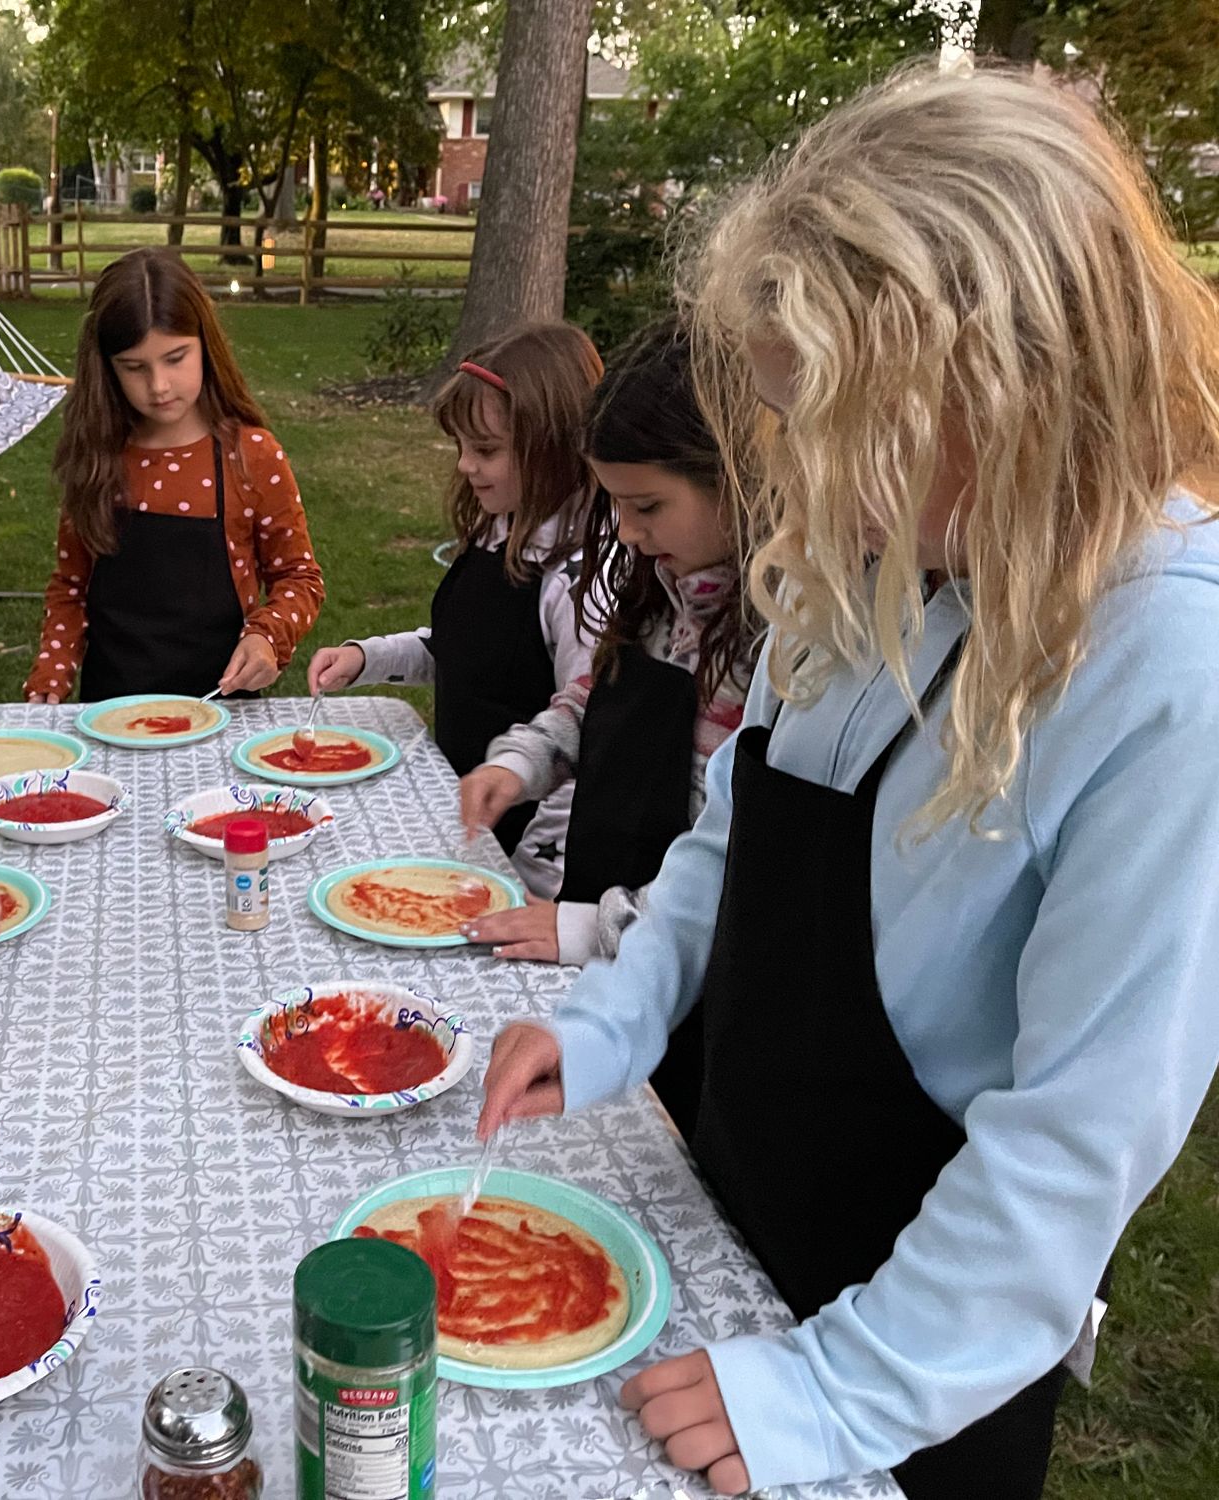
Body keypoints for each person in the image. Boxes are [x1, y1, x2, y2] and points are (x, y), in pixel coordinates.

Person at [479, 68, 1219, 1498]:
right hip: (743, 1220)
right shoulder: (875, 561)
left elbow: (1077, 1141)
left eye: (836, 426)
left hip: (925, 1349)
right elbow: (738, 832)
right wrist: (615, 1014)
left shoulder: (1170, 663)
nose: (804, 483)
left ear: (1010, 381)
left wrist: (832, 1390)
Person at [456, 319, 757, 976]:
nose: (627, 531)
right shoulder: (661, 589)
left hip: (678, 973)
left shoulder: (772, 652)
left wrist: (596, 926)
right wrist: (524, 762)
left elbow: (739, 864)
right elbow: (599, 695)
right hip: (598, 935)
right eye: (616, 505)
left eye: (646, 506)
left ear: (735, 479)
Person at [307, 323, 602, 857]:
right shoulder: (499, 529)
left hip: (519, 846)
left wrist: (533, 874)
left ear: (552, 450)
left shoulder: (575, 582)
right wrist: (367, 658)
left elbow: (583, 742)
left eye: (486, 450)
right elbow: (463, 649)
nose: (466, 465)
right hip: (462, 816)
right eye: (461, 447)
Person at [24, 248, 325, 704]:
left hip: (221, 718)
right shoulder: (99, 458)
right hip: (110, 717)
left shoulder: (250, 456)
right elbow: (71, 586)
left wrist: (268, 636)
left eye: (176, 358)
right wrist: (51, 676)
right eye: (135, 367)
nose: (159, 385)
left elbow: (299, 578)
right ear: (106, 367)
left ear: (206, 345)